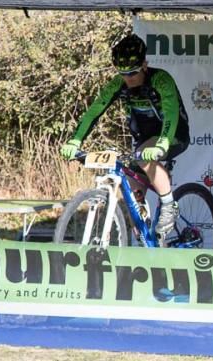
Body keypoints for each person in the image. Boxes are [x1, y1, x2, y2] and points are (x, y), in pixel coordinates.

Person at [60, 34, 190, 241]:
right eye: (123, 73)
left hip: (174, 134)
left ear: (145, 65)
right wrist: (76, 140)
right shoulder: (117, 84)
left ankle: (169, 205)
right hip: (144, 141)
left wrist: (163, 144)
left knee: (142, 156)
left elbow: (171, 113)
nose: (128, 78)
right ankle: (150, 242)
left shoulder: (161, 79)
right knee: (132, 203)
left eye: (133, 72)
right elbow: (94, 112)